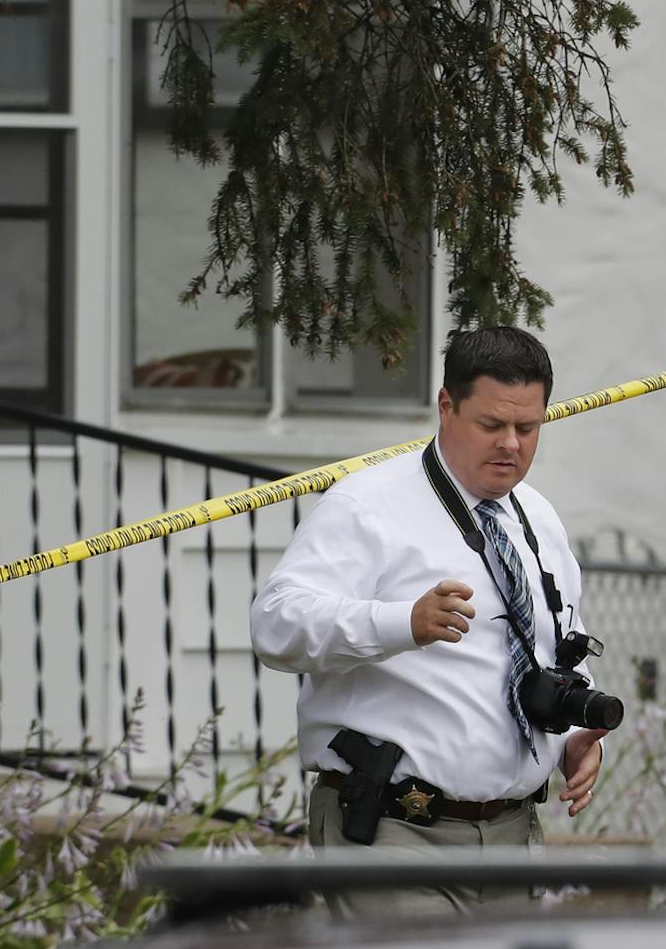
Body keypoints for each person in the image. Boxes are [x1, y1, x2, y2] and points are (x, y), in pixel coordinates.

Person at [251, 327, 608, 910]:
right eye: (491, 424)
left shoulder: (539, 516)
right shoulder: (366, 504)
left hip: (513, 838)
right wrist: (402, 624)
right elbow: (275, 625)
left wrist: (572, 737)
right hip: (393, 833)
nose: (511, 445)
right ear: (446, 406)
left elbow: (556, 644)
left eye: (528, 428)